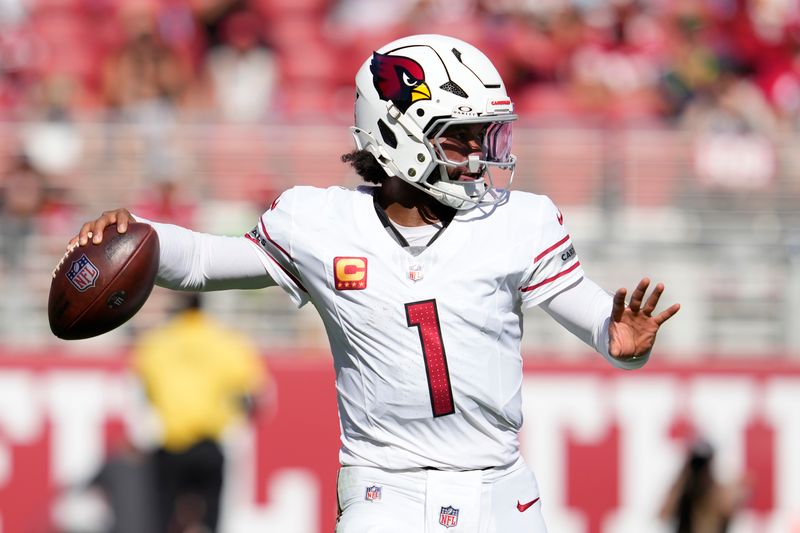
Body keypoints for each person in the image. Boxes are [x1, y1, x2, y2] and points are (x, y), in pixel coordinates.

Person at [72, 34, 680, 533]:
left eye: (482, 135)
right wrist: (135, 232)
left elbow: (602, 323)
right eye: (458, 136)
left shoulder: (518, 220)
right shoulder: (321, 222)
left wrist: (621, 341)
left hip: (501, 492)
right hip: (383, 493)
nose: (478, 152)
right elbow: (206, 261)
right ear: (397, 134)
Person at [132, 293, 267, 533]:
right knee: (211, 516)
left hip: (170, 443)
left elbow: (141, 391)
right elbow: (254, 395)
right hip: (210, 443)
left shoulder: (157, 342)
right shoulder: (226, 341)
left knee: (163, 516)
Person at [659, 439, 749, 533]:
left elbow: (731, 506)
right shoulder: (683, 492)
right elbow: (663, 515)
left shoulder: (718, 493)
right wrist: (684, 477)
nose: (702, 471)